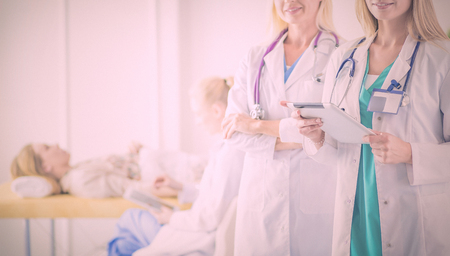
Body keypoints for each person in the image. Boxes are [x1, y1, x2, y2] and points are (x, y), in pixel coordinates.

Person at [292, 0, 450, 255]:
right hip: (355, 214)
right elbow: (337, 149)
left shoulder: (441, 58)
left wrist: (411, 153)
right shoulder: (343, 57)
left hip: (412, 216)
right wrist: (316, 135)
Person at [220, 0, 339, 255]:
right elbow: (233, 132)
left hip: (317, 200)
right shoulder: (256, 57)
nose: (290, 2)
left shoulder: (342, 56)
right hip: (261, 200)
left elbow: (336, 131)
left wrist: (256, 125)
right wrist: (302, 136)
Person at [108, 76, 245, 256]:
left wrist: (171, 217)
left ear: (216, 110)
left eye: (198, 113)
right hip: (196, 231)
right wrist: (179, 186)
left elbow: (211, 216)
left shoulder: (230, 154)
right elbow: (215, 194)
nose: (197, 121)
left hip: (199, 239)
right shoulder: (227, 149)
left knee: (128, 221)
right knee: (124, 242)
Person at [10, 141, 206, 199]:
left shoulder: (76, 171)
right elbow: (131, 188)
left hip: (165, 165)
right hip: (171, 173)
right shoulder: (80, 180)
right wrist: (189, 190)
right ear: (46, 167)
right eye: (46, 147)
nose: (55, 144)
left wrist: (133, 155)